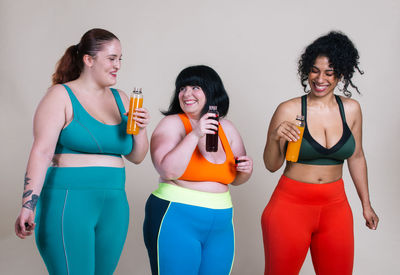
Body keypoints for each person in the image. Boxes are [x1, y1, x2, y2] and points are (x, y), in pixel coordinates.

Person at [14, 28, 150, 274]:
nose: (117, 65)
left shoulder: (122, 98)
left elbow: (137, 157)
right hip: (68, 201)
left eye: (120, 59)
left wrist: (140, 128)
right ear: (89, 60)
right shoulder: (60, 96)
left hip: (115, 204)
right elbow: (41, 152)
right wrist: (27, 206)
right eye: (111, 58)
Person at [261, 31, 379, 275]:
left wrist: (366, 205)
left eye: (329, 72)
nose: (320, 78)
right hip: (289, 207)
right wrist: (275, 137)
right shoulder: (289, 109)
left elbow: (356, 157)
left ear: (341, 74)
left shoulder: (352, 110)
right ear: (307, 70)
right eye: (314, 70)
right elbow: (271, 165)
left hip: (335, 207)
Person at [143, 65, 253, 275]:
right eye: (182, 88)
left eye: (195, 87)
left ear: (211, 91)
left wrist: (246, 170)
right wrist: (194, 134)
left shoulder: (227, 128)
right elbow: (168, 171)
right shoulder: (172, 123)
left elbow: (236, 178)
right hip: (176, 216)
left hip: (221, 221)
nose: (187, 94)